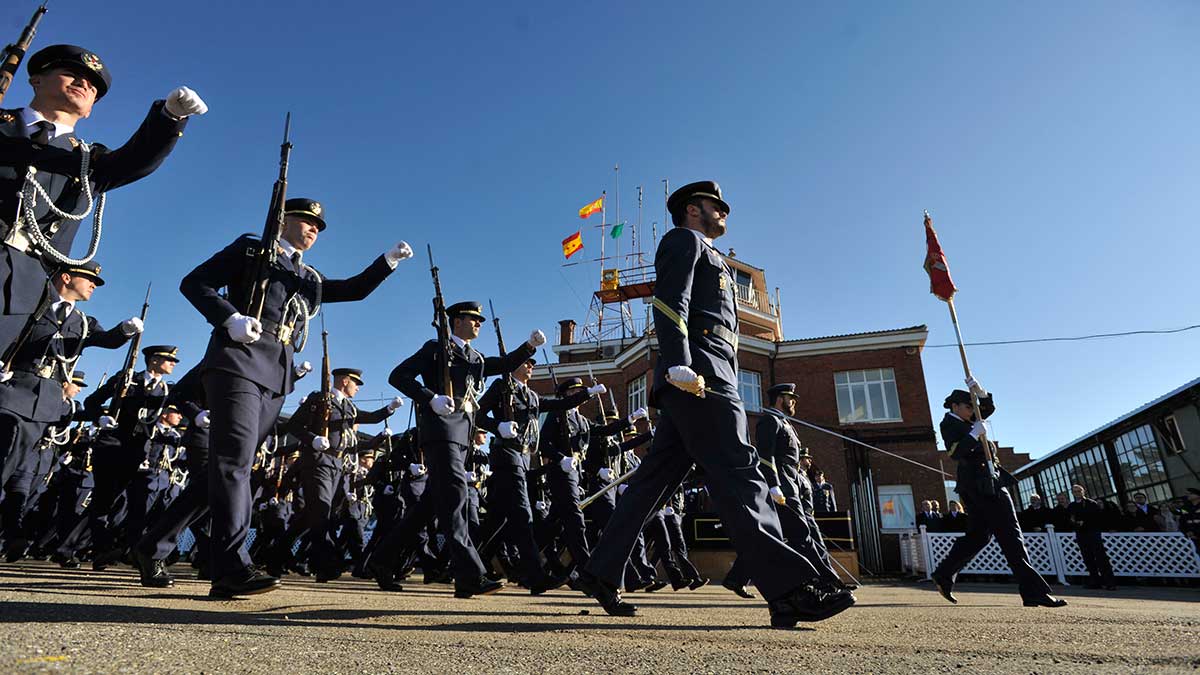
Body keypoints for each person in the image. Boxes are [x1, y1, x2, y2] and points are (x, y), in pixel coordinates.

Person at [575, 181, 854, 628]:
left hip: (709, 373)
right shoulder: (684, 240)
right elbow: (670, 302)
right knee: (741, 474)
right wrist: (680, 363)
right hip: (700, 377)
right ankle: (790, 589)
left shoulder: (712, 255)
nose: (723, 212)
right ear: (692, 210)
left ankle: (599, 571)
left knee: (652, 484)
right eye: (714, 206)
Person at [180, 196, 412, 598]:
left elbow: (353, 290)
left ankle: (155, 541)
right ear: (283, 219)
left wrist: (386, 262)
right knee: (233, 462)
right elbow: (194, 283)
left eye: (318, 228)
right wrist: (229, 317)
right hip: (237, 358)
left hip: (275, 372)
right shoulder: (252, 249)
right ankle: (232, 566)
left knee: (232, 467)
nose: (313, 230)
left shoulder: (308, 277)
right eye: (306, 221)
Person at [0, 45, 206, 354]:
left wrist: (170, 117)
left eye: (93, 85)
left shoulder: (88, 162)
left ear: (91, 106)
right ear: (37, 80)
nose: (84, 83)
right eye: (71, 73)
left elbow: (136, 159)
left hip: (17, 287)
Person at [383, 300, 541, 599]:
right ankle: (470, 575)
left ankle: (380, 561)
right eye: (473, 319)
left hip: (462, 437)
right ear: (456, 322)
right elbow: (398, 376)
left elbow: (503, 365)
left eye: (480, 320)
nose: (479, 324)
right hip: (440, 432)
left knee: (428, 508)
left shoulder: (474, 357)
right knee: (455, 499)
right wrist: (429, 397)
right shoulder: (436, 348)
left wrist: (528, 347)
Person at [0, 260, 133, 559]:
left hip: (45, 402)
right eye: (89, 280)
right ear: (66, 277)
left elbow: (106, 340)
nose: (93, 286)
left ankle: (12, 531)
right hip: (13, 389)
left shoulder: (83, 323)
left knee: (16, 467)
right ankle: (12, 530)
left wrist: (124, 331)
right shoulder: (34, 305)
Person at [930, 379, 1065, 608]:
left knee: (979, 535)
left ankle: (944, 573)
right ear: (955, 406)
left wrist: (980, 392)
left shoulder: (967, 419)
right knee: (1011, 535)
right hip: (981, 485)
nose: (973, 412)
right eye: (968, 406)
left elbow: (986, 409)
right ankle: (1033, 591)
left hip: (983, 482)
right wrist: (973, 435)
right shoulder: (951, 423)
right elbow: (955, 452)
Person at [1068, 484, 1116, 590]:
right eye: (1075, 491)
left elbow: (1097, 518)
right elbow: (1070, 519)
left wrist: (1084, 522)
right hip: (1081, 534)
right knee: (1087, 558)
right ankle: (1095, 581)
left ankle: (1109, 582)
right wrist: (1076, 523)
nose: (1077, 493)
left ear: (1083, 491)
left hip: (1093, 533)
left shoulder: (1091, 503)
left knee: (1101, 557)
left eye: (1079, 491)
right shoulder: (1071, 506)